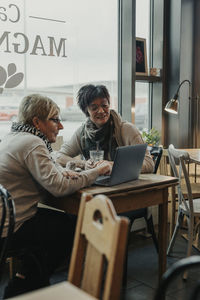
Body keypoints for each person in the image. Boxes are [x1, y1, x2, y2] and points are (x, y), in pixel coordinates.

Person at [0, 94, 111, 298]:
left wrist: (67, 170)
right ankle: (21, 288)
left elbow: (47, 171)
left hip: (5, 219)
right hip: (10, 228)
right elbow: (58, 188)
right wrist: (97, 171)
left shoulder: (14, 137)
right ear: (37, 122)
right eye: (55, 119)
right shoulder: (32, 143)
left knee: (53, 231)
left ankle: (32, 282)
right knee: (70, 227)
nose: (60, 126)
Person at [56, 84, 154, 173]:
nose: (101, 111)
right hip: (95, 186)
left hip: (125, 187)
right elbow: (59, 157)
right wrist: (83, 164)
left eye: (104, 105)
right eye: (94, 108)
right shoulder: (82, 133)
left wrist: (113, 165)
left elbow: (149, 164)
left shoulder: (127, 130)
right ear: (86, 111)